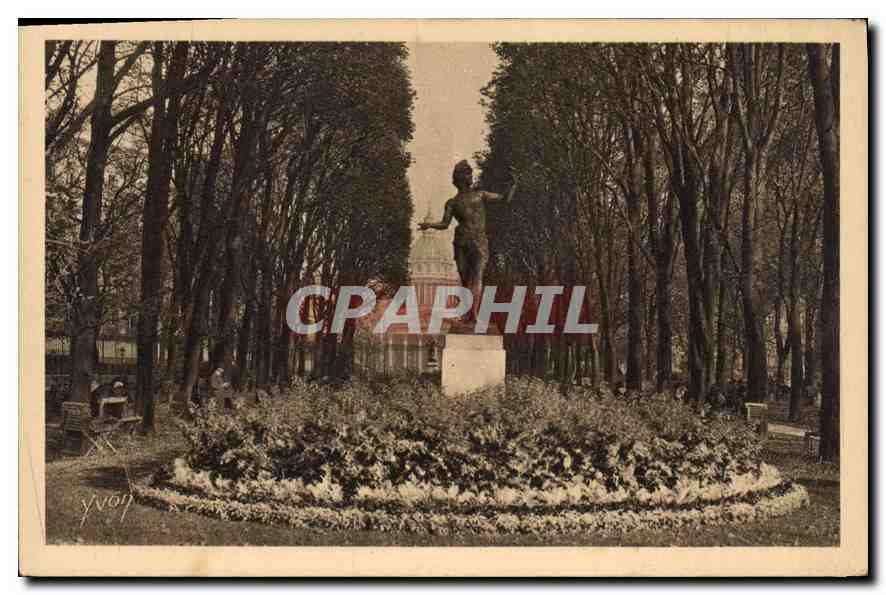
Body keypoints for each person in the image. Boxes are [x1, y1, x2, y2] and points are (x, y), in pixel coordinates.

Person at [418, 160, 517, 324]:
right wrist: (429, 224)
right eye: (467, 175)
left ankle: (472, 314)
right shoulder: (462, 199)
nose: (469, 178)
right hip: (469, 240)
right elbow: (504, 199)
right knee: (469, 279)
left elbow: (504, 198)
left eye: (469, 175)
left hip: (468, 240)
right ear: (461, 179)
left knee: (473, 278)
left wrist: (512, 184)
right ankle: (470, 314)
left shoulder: (466, 198)